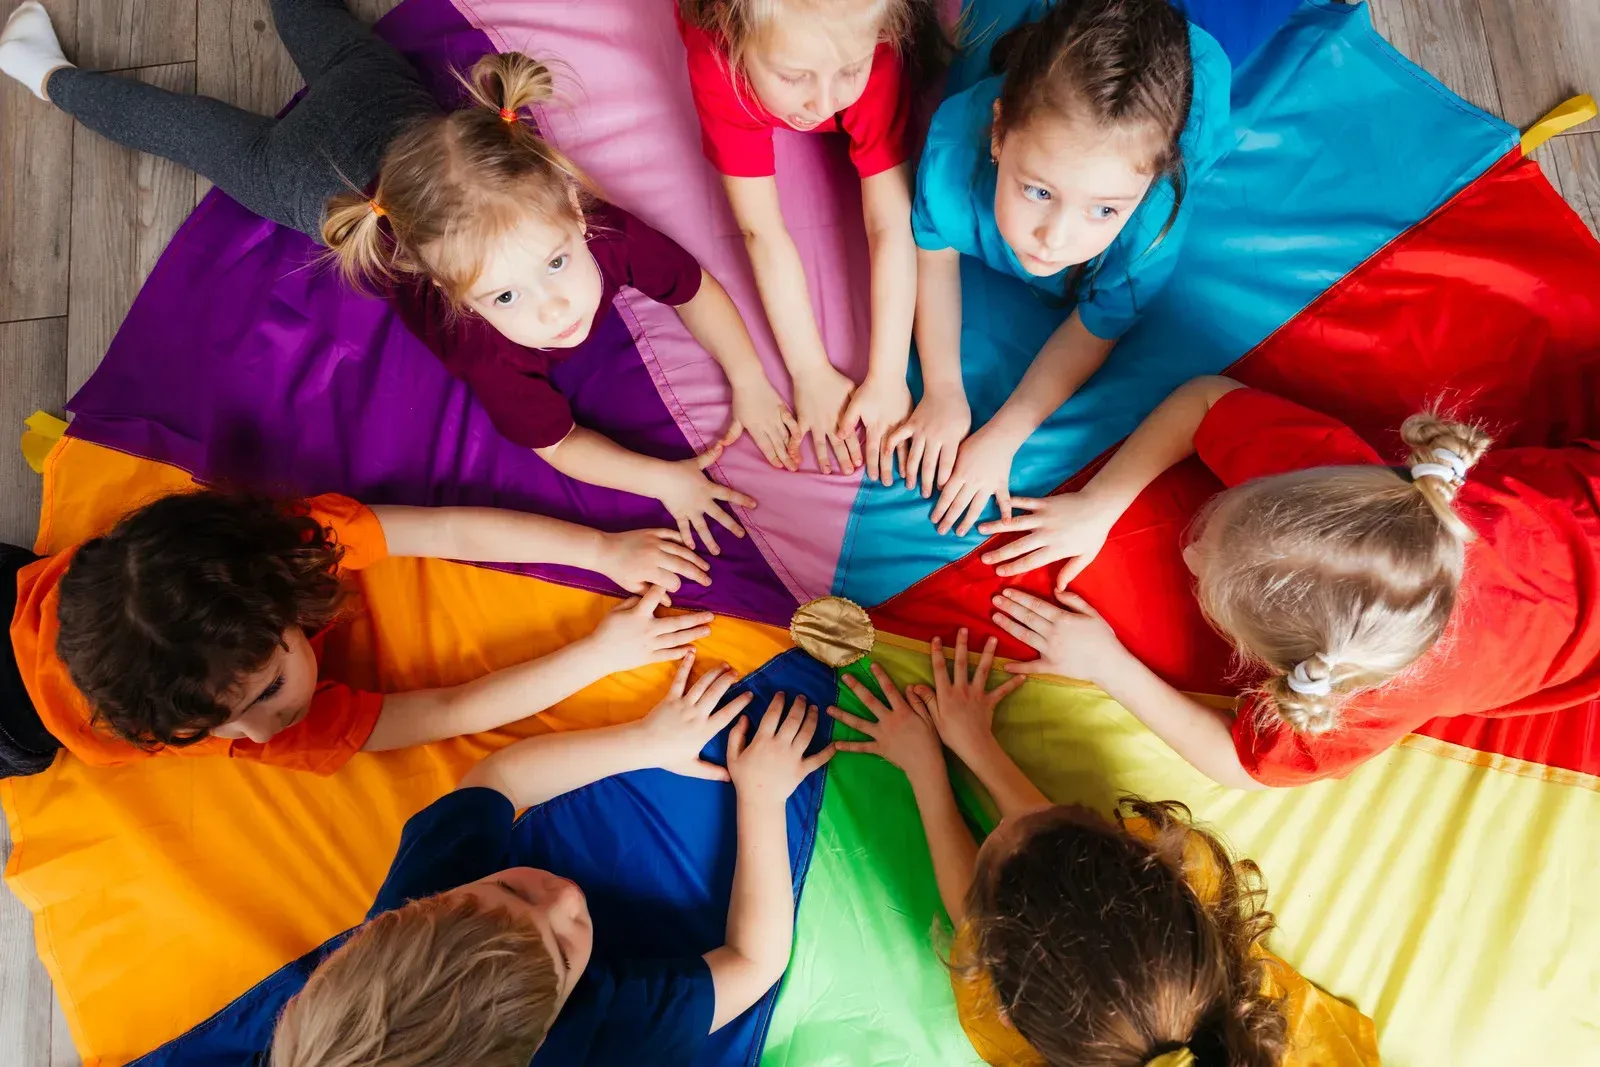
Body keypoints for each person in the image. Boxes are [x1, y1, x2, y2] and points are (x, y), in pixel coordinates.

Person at [0, 1, 791, 552]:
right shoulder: (488, 348)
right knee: (191, 130)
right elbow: (560, 444)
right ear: (448, 291)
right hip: (308, 182)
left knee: (306, 27)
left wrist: (750, 380)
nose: (554, 308)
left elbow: (691, 286)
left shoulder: (600, 227)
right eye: (504, 296)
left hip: (378, 97)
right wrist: (665, 483)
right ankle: (45, 74)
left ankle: (46, 73)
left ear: (577, 213)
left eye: (554, 263)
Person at [985, 375, 1600, 787]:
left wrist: (1108, 666)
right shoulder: (1330, 492)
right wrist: (1101, 502)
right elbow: (1204, 399)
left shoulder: (1367, 700)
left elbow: (1241, 765)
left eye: (1206, 582)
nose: (1190, 551)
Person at [829, 630, 1378, 1066]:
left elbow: (972, 918)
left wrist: (925, 769)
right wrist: (976, 744)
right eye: (1073, 816)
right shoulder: (1188, 867)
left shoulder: (1008, 1027)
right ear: (1161, 868)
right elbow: (1018, 880)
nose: (1011, 821)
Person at [269, 653, 835, 1066]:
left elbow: (499, 779)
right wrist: (763, 798)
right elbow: (753, 963)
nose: (566, 898)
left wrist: (646, 742)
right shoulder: (599, 1036)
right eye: (564, 954)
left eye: (510, 890)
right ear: (543, 1037)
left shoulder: (414, 916)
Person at [6, 488, 715, 776]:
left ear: (282, 595)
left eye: (268, 690)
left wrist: (602, 551)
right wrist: (598, 655)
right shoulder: (230, 713)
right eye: (223, 725)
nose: (261, 732)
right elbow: (449, 711)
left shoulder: (285, 548)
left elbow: (446, 528)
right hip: (22, 725)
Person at [895, 0, 1231, 534]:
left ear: (1147, 186)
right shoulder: (955, 148)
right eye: (1038, 191)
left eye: (1104, 210)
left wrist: (1003, 437)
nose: (1056, 239)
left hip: (1196, 51)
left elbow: (1095, 329)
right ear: (999, 134)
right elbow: (933, 260)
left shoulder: (1152, 222)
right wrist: (942, 390)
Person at [675, 0, 947, 482]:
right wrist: (808, 370)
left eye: (849, 71)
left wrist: (887, 375)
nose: (823, 104)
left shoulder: (874, 47)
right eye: (793, 77)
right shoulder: (720, 61)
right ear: (735, 36)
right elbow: (760, 230)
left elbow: (889, 223)